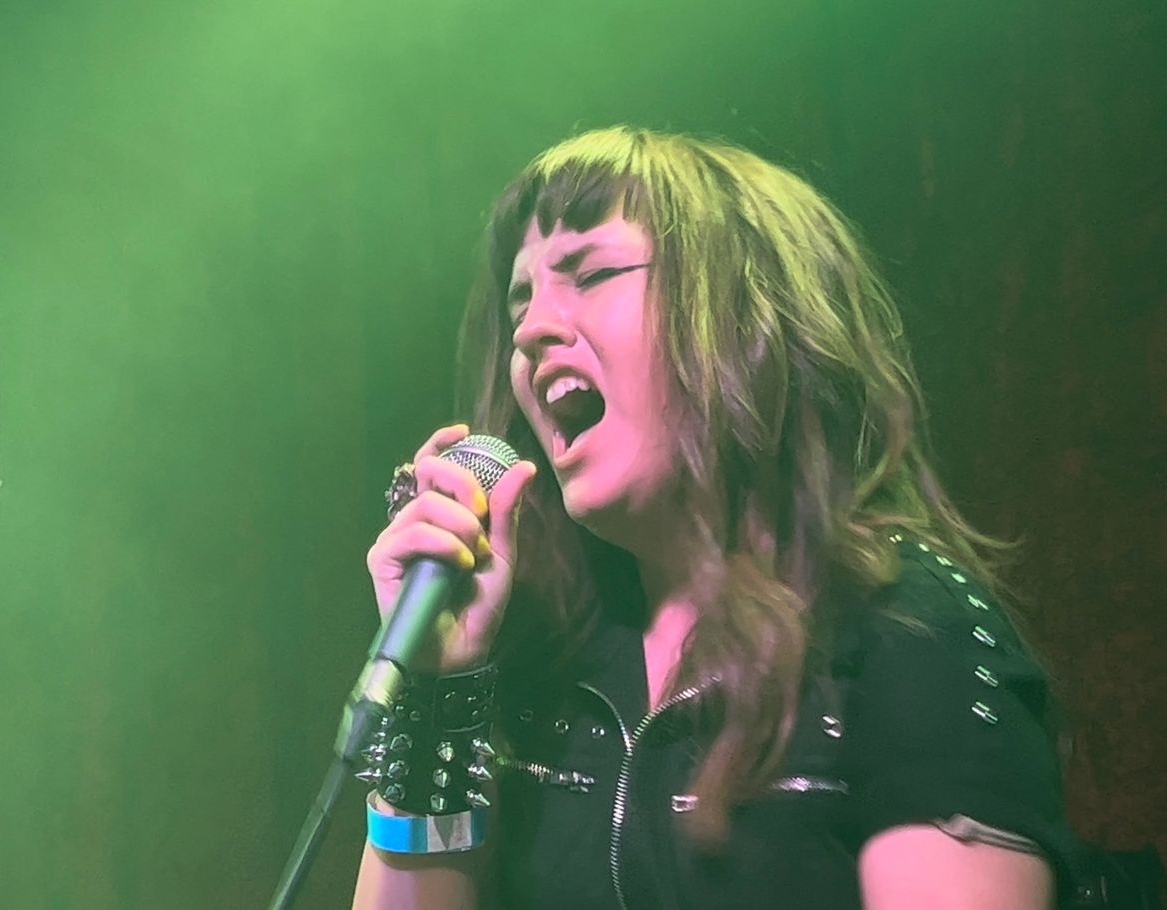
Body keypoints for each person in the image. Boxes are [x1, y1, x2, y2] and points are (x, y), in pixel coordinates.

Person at [351, 127, 1082, 909]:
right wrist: (434, 695)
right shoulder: (545, 659)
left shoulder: (904, 631)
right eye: (520, 299)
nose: (530, 330)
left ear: (747, 321)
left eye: (591, 274)